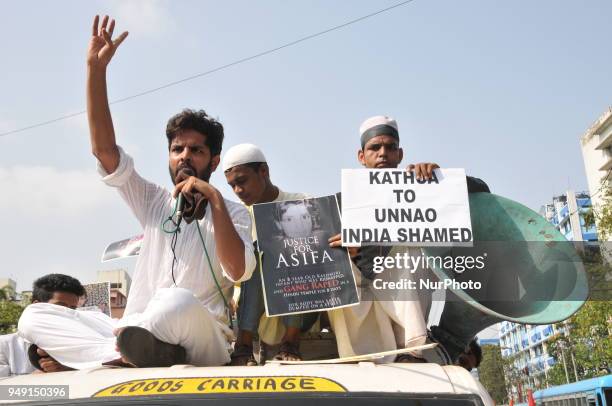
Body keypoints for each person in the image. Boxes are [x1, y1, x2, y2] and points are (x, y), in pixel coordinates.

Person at [18, 15, 256, 369]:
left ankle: (114, 354)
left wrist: (215, 199)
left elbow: (238, 271)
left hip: (201, 333)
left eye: (196, 150)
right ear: (169, 155)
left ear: (214, 160)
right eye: (178, 149)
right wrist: (95, 71)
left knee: (175, 302)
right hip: (135, 327)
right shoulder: (154, 200)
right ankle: (135, 351)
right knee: (34, 317)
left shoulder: (233, 212)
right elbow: (105, 152)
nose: (185, 157)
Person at [328, 115, 490, 364]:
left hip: (402, 287)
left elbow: (482, 191)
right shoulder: (341, 202)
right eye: (375, 147)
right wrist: (352, 252)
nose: (383, 154)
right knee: (335, 264)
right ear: (362, 156)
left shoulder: (421, 187)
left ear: (400, 155)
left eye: (390, 147)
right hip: (361, 293)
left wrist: (442, 180)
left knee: (411, 252)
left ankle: (412, 349)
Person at [223, 143, 317, 365]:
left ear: (263, 172)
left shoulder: (302, 202)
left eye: (242, 181)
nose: (237, 190)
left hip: (301, 307)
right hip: (253, 309)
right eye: (232, 185)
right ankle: (243, 346)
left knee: (293, 247)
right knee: (256, 252)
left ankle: (291, 343)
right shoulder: (236, 215)